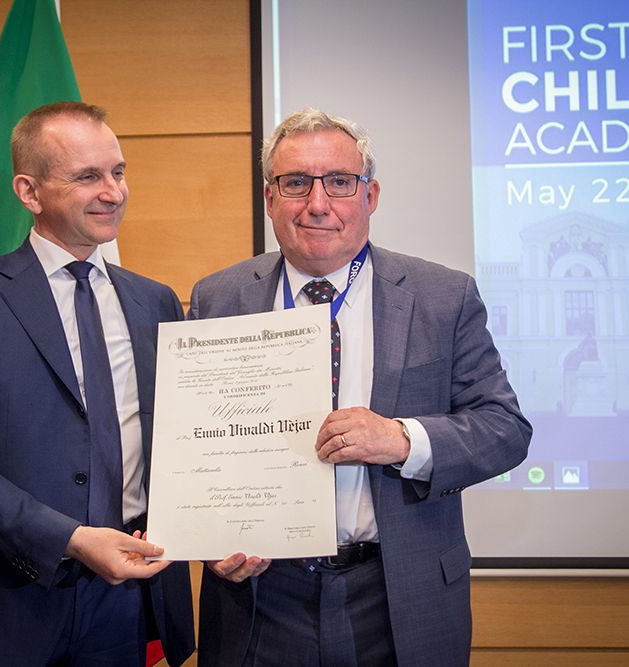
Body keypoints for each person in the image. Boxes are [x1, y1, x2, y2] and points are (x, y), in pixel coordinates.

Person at [190, 108, 532, 666]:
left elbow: (505, 429)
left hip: (396, 593)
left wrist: (402, 440)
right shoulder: (218, 299)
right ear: (270, 198)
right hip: (260, 597)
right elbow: (195, 444)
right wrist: (209, 538)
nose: (317, 203)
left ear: (370, 195)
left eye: (339, 183)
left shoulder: (443, 297)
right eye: (296, 183)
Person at [0, 101, 195, 666]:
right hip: (0, 602)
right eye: (88, 176)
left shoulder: (155, 301)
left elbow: (184, 446)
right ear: (29, 192)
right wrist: (71, 539)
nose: (113, 192)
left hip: (124, 598)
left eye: (118, 171)